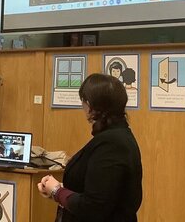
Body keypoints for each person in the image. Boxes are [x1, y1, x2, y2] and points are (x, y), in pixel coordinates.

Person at [37, 73, 142, 222]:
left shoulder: (112, 143)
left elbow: (94, 206)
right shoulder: (115, 137)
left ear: (90, 105)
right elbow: (101, 188)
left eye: (83, 101)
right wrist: (59, 190)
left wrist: (57, 191)